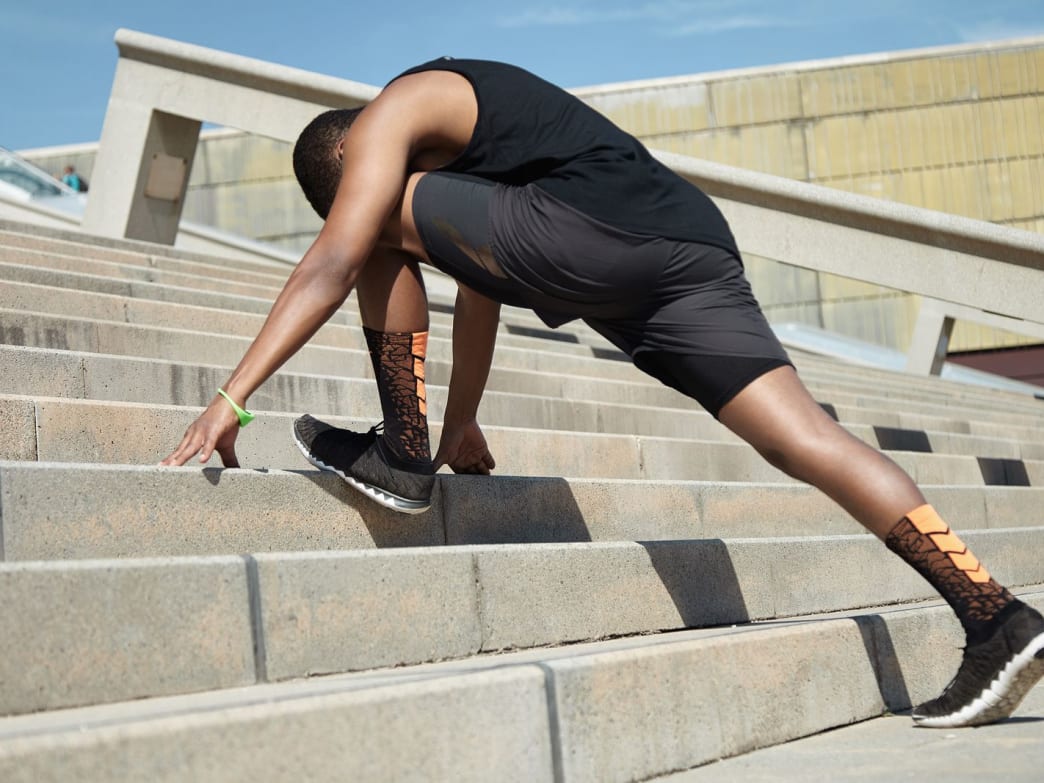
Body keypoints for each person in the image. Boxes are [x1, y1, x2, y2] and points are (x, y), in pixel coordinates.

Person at [160, 57, 1044, 728]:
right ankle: (994, 616)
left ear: (351, 149)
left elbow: (339, 257)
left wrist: (232, 398)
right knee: (801, 437)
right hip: (687, 251)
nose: (367, 205)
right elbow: (481, 288)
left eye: (355, 188)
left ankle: (398, 450)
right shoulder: (481, 171)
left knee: (371, 234)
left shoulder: (400, 107)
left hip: (600, 236)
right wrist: (461, 417)